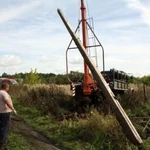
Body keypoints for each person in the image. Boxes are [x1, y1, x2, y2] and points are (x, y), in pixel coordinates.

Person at [0, 83, 16, 149]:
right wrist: (13, 109)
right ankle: (2, 141)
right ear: (6, 87)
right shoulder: (4, 93)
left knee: (1, 125)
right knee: (5, 126)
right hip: (5, 112)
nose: (8, 89)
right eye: (8, 87)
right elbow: (7, 101)